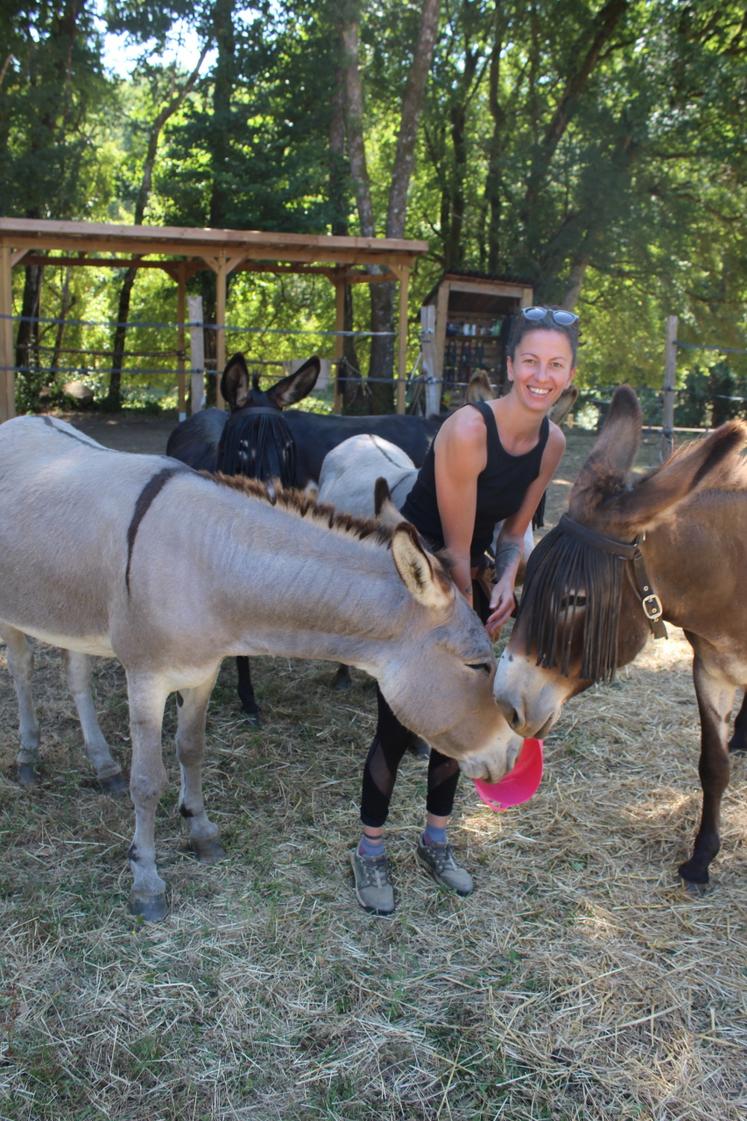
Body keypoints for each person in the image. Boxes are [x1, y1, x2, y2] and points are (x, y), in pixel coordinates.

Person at [350, 305, 579, 915]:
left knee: (468, 713)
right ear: (510, 366)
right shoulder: (468, 430)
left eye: (555, 364)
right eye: (530, 360)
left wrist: (507, 575)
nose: (541, 374)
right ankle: (370, 849)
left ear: (570, 373)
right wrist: (478, 608)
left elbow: (512, 533)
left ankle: (437, 839)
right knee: (400, 723)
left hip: (469, 574)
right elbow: (451, 547)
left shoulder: (551, 443)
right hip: (417, 571)